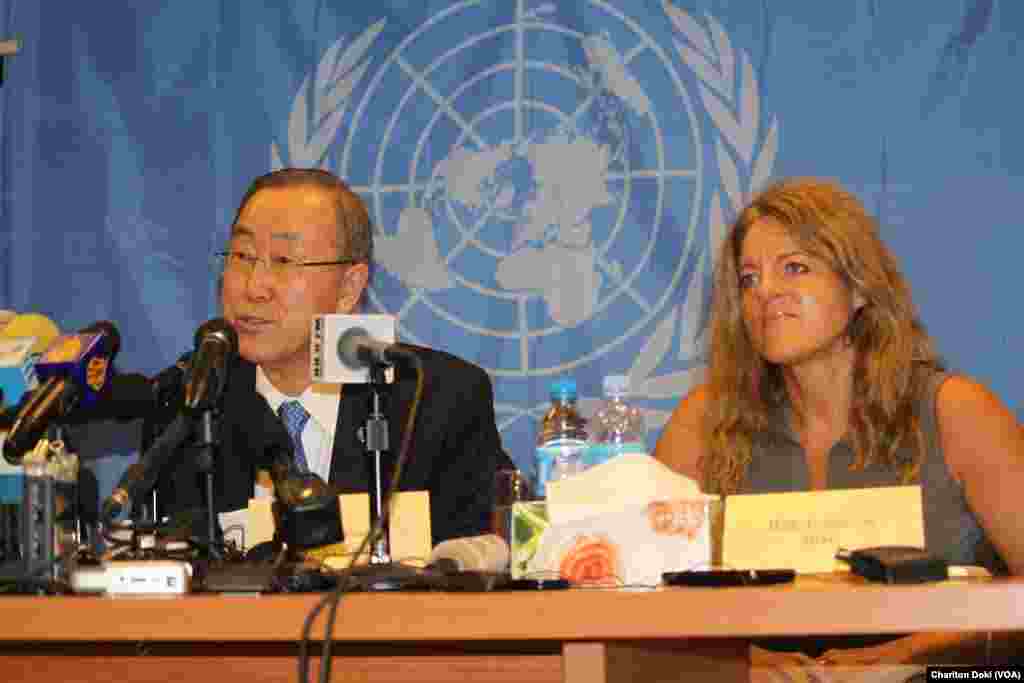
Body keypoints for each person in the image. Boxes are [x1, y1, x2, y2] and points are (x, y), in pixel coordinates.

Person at [654, 178, 1024, 672]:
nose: (766, 293)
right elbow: (640, 600)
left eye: (795, 268)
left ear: (858, 287)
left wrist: (903, 657)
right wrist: (747, 664)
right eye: (749, 279)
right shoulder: (703, 423)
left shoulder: (956, 412)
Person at [149, 168, 511, 547]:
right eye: (242, 255)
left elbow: (489, 559)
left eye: (285, 261)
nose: (254, 286)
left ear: (349, 287)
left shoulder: (436, 400)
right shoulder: (187, 401)